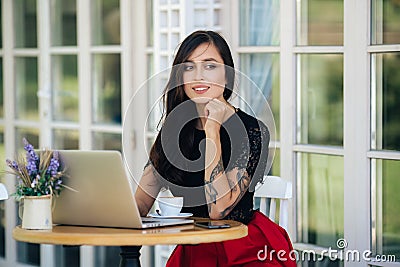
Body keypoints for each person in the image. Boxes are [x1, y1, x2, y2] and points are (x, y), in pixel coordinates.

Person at [135, 30, 296, 266]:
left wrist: (212, 130)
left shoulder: (252, 131)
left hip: (245, 250)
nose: (198, 76)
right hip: (196, 250)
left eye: (210, 66)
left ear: (227, 76)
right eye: (189, 67)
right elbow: (140, 204)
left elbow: (218, 210)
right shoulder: (173, 132)